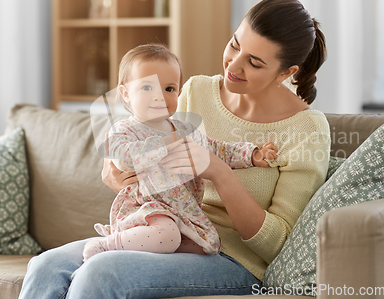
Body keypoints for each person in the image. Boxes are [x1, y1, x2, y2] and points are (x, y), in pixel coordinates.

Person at [18, 0, 331, 299]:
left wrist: (220, 173)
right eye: (235, 44)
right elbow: (153, 144)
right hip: (168, 230)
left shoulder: (306, 130)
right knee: (46, 265)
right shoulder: (197, 90)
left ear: (286, 73)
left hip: (235, 260)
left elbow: (278, 243)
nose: (233, 65)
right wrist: (116, 172)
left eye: (254, 62)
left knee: (103, 272)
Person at [82, 44, 277, 261]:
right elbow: (122, 158)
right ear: (126, 94)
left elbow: (216, 149)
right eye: (147, 88)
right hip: (145, 208)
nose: (159, 97)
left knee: (207, 245)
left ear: (179, 92)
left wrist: (251, 154)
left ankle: (147, 253)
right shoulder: (125, 130)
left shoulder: (184, 130)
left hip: (181, 210)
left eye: (169, 89)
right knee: (167, 235)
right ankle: (107, 245)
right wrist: (163, 145)